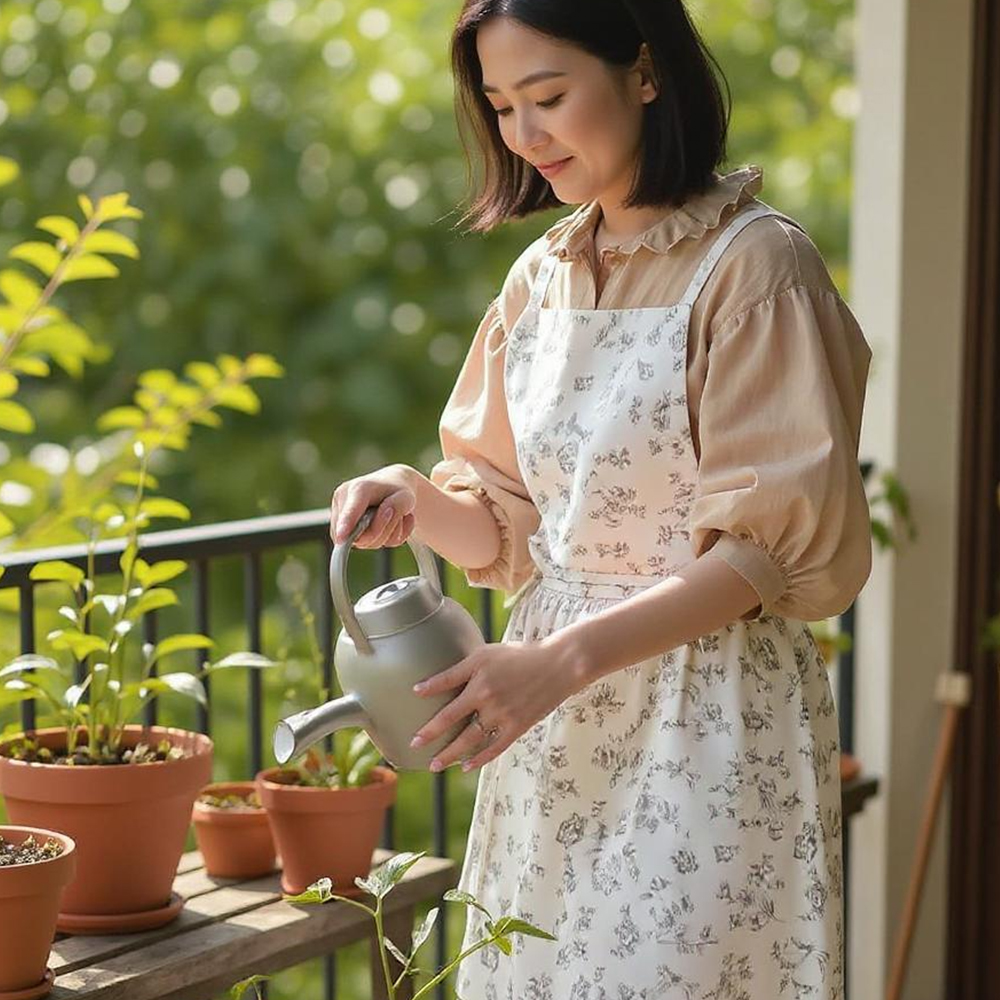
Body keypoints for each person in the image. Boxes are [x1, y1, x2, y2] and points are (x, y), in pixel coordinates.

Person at [329, 1, 872, 997]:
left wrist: (562, 661)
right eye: (499, 106)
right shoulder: (540, 277)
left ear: (647, 73)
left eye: (548, 96)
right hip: (551, 722)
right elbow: (507, 526)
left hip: (702, 714)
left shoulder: (756, 266)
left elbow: (762, 556)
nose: (524, 136)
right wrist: (414, 496)